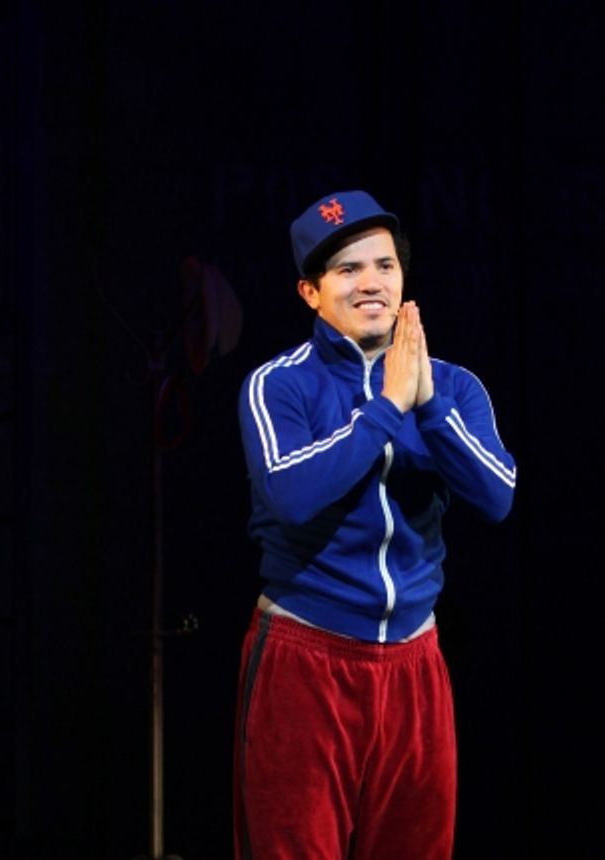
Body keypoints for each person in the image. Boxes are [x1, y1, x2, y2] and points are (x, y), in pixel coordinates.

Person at [232, 189, 517, 859]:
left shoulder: (453, 386)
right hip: (306, 658)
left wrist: (428, 406)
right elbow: (293, 494)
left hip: (416, 663)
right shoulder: (278, 385)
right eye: (348, 269)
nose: (372, 283)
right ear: (311, 292)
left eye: (385, 266)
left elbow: (497, 496)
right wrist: (388, 405)